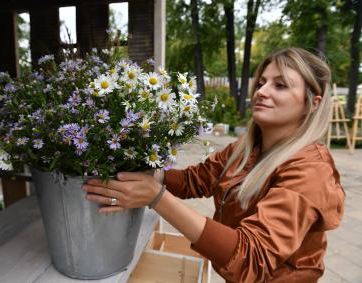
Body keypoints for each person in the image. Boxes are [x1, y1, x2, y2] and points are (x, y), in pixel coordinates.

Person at [82, 48, 345, 282]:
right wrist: (151, 173)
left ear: (313, 104)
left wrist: (157, 198)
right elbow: (197, 180)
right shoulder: (247, 147)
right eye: (262, 82)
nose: (261, 92)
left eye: (281, 85)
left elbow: (251, 258)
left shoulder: (311, 170)